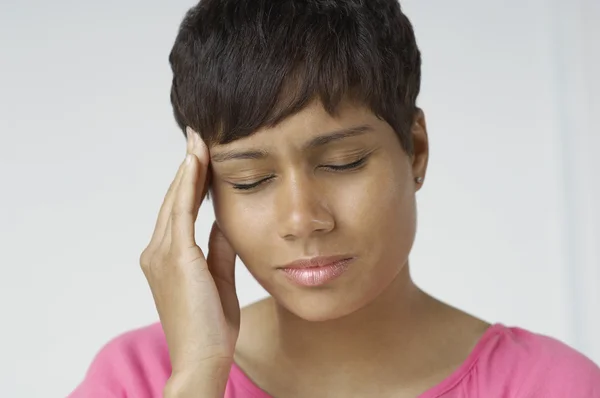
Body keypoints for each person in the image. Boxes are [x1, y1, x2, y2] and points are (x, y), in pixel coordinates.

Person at [69, 0, 600, 397]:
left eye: (342, 163)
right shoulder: (135, 379)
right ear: (203, 188)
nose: (303, 220)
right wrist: (198, 376)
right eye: (250, 178)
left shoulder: (550, 385)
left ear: (414, 150)